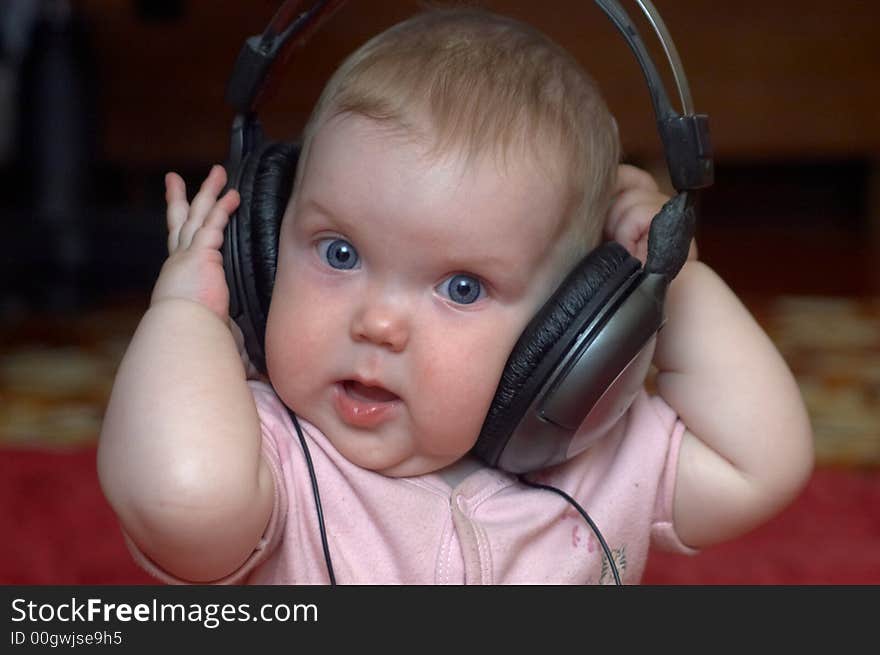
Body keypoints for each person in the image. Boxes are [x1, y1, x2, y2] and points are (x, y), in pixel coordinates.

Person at [97, 8, 814, 584]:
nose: (377, 322)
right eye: (339, 253)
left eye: (462, 287)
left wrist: (671, 276)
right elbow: (181, 498)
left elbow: (764, 458)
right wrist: (187, 316)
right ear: (265, 247)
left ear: (573, 327)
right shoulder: (267, 458)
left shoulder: (603, 465)